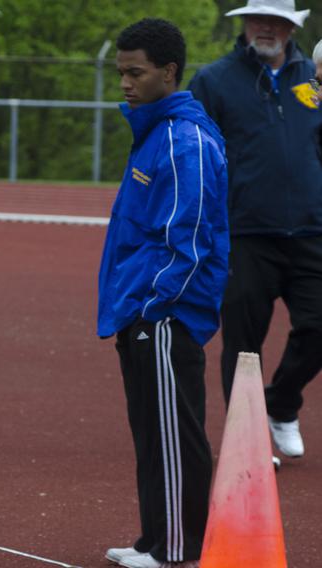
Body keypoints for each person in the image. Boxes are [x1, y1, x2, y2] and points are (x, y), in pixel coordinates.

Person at [98, 19, 228, 568]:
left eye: (136, 72)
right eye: (120, 71)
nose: (125, 83)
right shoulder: (155, 133)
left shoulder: (183, 140)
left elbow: (191, 238)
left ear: (169, 72)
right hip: (141, 310)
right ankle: (156, 538)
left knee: (175, 434)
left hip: (165, 314)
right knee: (152, 431)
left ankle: (181, 550)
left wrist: (154, 307)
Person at [189, 0, 322, 461]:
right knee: (244, 345)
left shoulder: (314, 77)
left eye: (278, 20)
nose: (268, 27)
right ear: (245, 22)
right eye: (259, 18)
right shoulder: (213, 81)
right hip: (243, 234)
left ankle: (281, 405)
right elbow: (195, 155)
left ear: (291, 26)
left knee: (318, 326)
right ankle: (247, 442)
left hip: (311, 232)